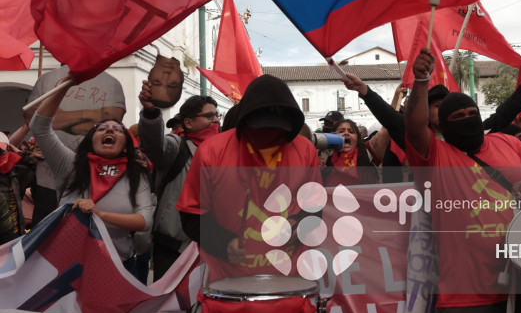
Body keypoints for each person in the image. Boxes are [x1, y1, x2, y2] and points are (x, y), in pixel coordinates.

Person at [404, 48, 521, 313]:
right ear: (444, 127)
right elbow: (413, 125)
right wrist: (420, 81)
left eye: (471, 113)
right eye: (457, 117)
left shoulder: (507, 142)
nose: (467, 119)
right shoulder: (434, 157)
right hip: (469, 294)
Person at [177, 74, 322, 282]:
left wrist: (300, 224)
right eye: (261, 129)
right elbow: (191, 216)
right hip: (226, 287)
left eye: (277, 130)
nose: (269, 137)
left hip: (289, 284)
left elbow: (315, 207)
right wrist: (224, 242)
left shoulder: (305, 150)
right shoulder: (211, 151)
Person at [29, 72, 154, 274]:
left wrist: (100, 214)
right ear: (91, 140)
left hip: (118, 267)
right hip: (68, 268)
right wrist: (64, 86)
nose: (109, 131)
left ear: (125, 146)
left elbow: (145, 221)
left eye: (118, 129)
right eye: (102, 128)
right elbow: (39, 128)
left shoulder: (135, 175)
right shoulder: (69, 164)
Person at [24, 65, 126, 226]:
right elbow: (31, 119)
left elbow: (112, 123)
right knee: (47, 239)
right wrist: (94, 115)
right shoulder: (46, 80)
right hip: (48, 182)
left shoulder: (112, 83)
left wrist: (60, 117)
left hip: (92, 184)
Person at [138, 84, 221, 280]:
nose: (216, 120)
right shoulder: (176, 146)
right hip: (173, 249)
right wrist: (151, 112)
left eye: (217, 115)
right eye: (209, 116)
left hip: (214, 247)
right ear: (189, 123)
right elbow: (154, 146)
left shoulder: (226, 151)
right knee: (171, 308)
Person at [0, 132, 37, 245]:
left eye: (0, 151)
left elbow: (34, 166)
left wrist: (19, 152)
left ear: (8, 150)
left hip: (13, 241)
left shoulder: (16, 174)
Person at [322, 118, 379, 186]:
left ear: (357, 139)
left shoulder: (369, 169)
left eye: (351, 132)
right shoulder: (325, 166)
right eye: (341, 131)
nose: (346, 133)